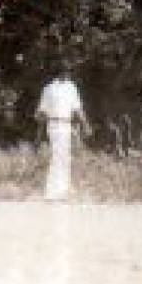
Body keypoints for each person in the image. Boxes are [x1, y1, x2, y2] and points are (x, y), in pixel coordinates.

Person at [36, 69, 91, 201]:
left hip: (66, 124)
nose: (67, 74)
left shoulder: (71, 87)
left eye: (68, 72)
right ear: (59, 72)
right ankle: (51, 193)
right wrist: (39, 132)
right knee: (57, 156)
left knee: (65, 157)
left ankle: (63, 191)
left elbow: (77, 108)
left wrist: (85, 124)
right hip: (54, 124)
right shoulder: (49, 88)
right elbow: (41, 112)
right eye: (64, 71)